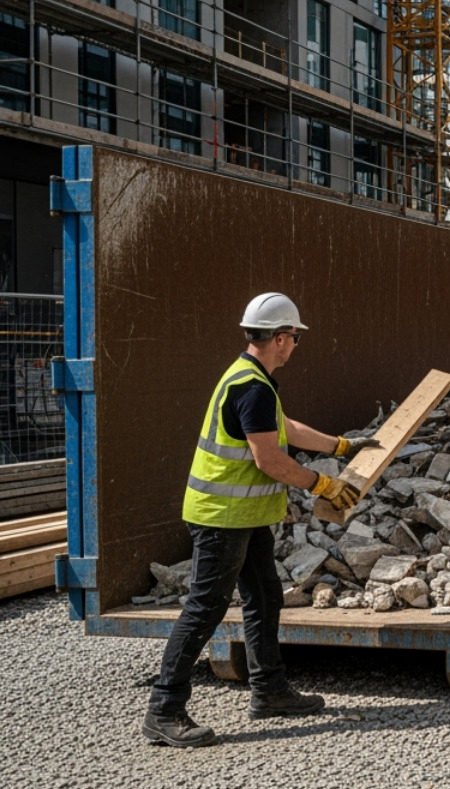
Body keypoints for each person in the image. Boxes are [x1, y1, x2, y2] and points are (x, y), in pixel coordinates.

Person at [142, 293, 380, 749]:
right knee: (205, 607)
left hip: (242, 516)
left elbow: (282, 426)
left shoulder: (253, 381)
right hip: (222, 518)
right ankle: (164, 709)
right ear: (278, 338)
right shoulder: (251, 387)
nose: (294, 345)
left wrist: (341, 447)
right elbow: (270, 459)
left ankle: (269, 690)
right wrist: (323, 486)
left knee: (265, 594)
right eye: (293, 337)